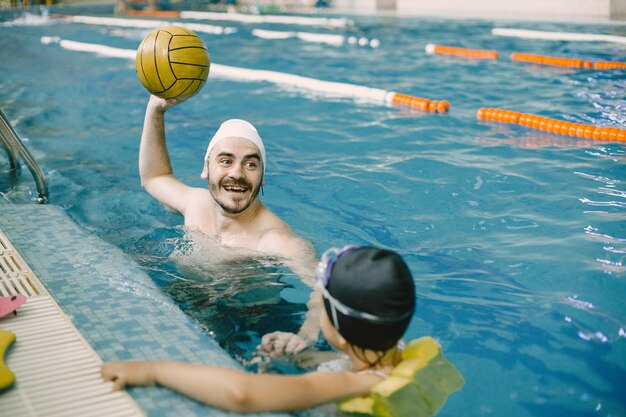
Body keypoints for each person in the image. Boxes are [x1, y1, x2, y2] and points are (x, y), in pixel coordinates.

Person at [101, 246, 417, 413]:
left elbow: (242, 395)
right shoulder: (398, 358)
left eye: (320, 300)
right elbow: (348, 365)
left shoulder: (344, 384)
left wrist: (153, 370)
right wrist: (301, 358)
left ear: (340, 335)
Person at [140, 95, 320, 345]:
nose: (237, 173)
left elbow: (325, 290)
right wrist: (155, 111)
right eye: (226, 161)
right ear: (206, 169)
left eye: (251, 164)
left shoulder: (276, 241)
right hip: (191, 300)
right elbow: (154, 177)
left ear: (262, 177)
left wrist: (306, 337)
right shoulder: (196, 203)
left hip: (253, 327)